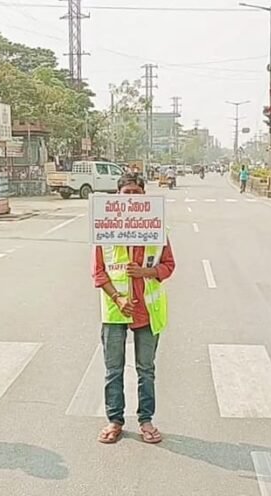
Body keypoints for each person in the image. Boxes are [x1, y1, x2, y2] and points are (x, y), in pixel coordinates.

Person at [93, 173, 176, 444]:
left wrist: (146, 272)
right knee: (113, 369)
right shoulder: (104, 228)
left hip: (147, 311)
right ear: (117, 197)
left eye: (135, 193)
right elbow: (98, 273)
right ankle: (114, 421)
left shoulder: (156, 228)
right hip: (115, 311)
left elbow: (169, 265)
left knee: (146, 369)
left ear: (144, 196)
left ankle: (146, 420)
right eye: (125, 193)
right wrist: (118, 298)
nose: (130, 198)